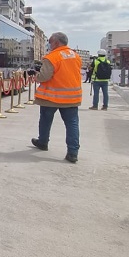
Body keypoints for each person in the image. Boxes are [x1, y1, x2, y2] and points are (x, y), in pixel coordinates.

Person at [29, 32, 82, 163]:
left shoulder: (52, 57)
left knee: (46, 121)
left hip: (51, 98)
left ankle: (43, 142)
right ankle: (73, 153)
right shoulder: (75, 56)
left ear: (57, 43)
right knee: (72, 124)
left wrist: (36, 76)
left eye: (50, 42)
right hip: (71, 98)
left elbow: (44, 76)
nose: (49, 45)